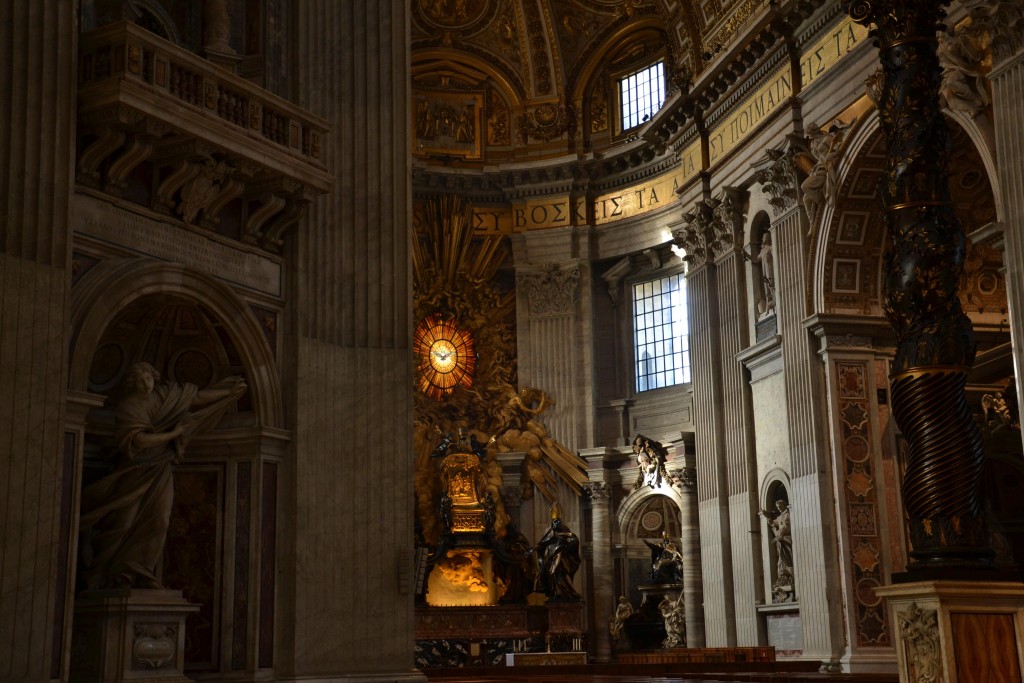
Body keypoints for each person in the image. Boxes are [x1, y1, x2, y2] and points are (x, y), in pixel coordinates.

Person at [78, 362, 246, 590]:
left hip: (161, 468)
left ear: (154, 378)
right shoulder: (128, 406)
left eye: (148, 378)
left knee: (160, 520)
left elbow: (196, 398)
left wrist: (228, 392)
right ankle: (107, 575)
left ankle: (140, 572)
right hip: (135, 470)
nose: (146, 384)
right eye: (140, 381)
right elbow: (139, 441)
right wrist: (173, 434)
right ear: (132, 384)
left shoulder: (165, 394)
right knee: (123, 524)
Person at [530, 517, 581, 599]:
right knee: (552, 574)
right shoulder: (550, 533)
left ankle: (568, 591)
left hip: (560, 557)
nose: (555, 525)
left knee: (562, 573)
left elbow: (573, 541)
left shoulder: (565, 533)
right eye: (554, 524)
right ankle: (555, 593)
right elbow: (543, 543)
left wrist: (566, 547)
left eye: (557, 523)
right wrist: (533, 549)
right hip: (550, 557)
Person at [761, 499, 794, 600]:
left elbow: (786, 526)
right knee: (780, 560)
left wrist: (779, 535)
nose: (779, 509)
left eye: (780, 507)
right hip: (780, 541)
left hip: (786, 540)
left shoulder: (787, 514)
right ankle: (783, 577)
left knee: (787, 557)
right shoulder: (780, 516)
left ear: (784, 505)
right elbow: (775, 523)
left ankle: (789, 575)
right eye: (777, 507)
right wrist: (769, 518)